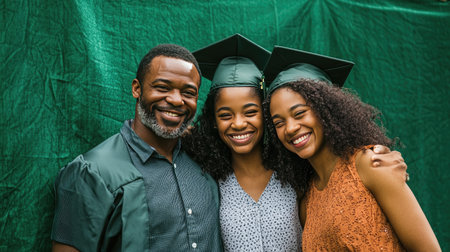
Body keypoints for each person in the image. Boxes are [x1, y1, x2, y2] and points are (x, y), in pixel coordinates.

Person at [183, 34, 408, 252]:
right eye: (225, 115)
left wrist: (382, 163)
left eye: (251, 111)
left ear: (266, 115)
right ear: (213, 121)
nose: (239, 123)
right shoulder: (208, 177)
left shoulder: (296, 171)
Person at [263, 46, 441, 251]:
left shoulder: (370, 164)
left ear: (326, 109)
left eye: (300, 113)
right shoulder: (307, 204)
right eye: (279, 123)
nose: (291, 128)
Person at [51, 44, 223, 251]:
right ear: (137, 88)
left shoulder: (204, 161)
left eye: (188, 92)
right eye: (162, 87)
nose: (176, 100)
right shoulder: (93, 172)